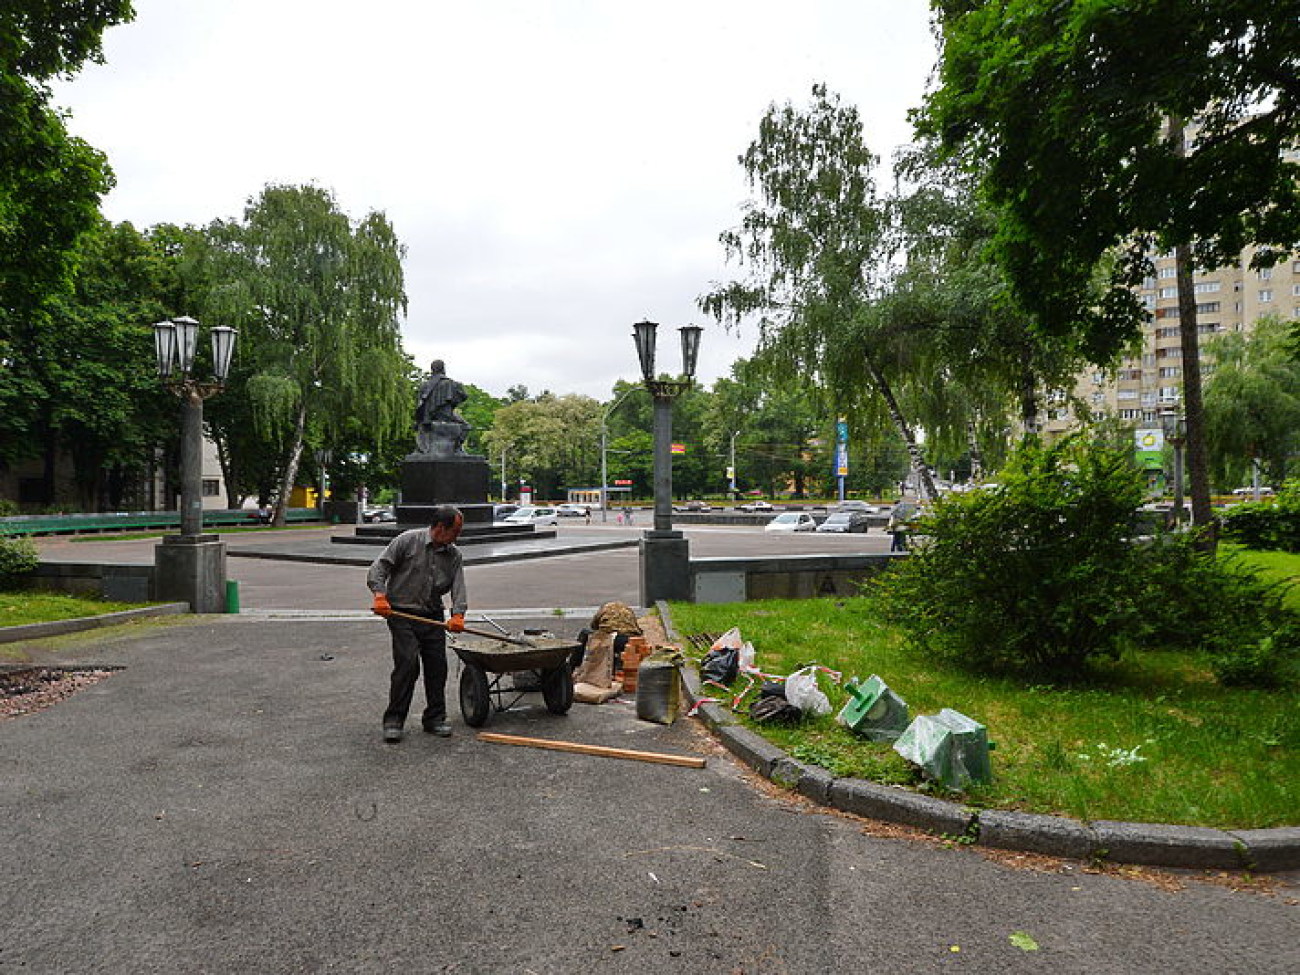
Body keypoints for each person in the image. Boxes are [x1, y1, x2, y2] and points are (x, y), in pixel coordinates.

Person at [367, 505, 468, 743]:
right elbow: (378, 569)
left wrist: (458, 615)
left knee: (437, 667)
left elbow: (459, 588)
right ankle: (394, 720)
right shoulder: (407, 541)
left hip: (432, 616)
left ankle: (435, 718)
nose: (458, 536)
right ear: (441, 527)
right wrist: (380, 596)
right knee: (407, 664)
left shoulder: (454, 554)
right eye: (456, 530)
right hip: (402, 614)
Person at [414, 359, 470, 454]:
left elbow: (420, 405)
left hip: (427, 418)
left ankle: (425, 450)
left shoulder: (424, 385)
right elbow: (464, 395)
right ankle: (456, 449)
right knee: (466, 426)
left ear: (432, 370)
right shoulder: (451, 384)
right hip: (446, 416)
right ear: (443, 369)